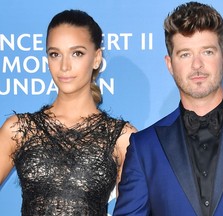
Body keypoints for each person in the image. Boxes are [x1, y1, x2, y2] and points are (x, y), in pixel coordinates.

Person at [113, 2, 223, 216]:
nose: (197, 65)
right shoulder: (144, 148)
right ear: (169, 64)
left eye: (207, 52)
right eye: (185, 54)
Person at [0, 9, 136, 215]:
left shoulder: (122, 138)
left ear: (97, 58)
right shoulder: (18, 130)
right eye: (55, 54)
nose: (64, 66)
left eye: (77, 53)